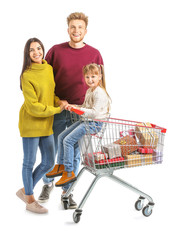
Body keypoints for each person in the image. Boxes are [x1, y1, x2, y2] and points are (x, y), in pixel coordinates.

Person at [38, 12, 104, 208]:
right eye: (73, 27)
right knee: (52, 149)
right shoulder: (55, 51)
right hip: (58, 108)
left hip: (82, 112)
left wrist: (100, 108)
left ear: (85, 30)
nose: (76, 31)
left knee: (73, 153)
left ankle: (68, 191)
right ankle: (48, 184)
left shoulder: (95, 53)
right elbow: (44, 78)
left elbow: (102, 82)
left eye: (80, 27)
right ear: (68, 29)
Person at [16, 38, 64, 214]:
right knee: (29, 163)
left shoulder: (48, 69)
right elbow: (33, 107)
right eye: (31, 50)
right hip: (31, 122)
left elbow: (51, 94)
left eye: (39, 48)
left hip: (46, 122)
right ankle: (30, 199)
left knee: (49, 162)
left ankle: (24, 191)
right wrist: (57, 109)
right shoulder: (27, 75)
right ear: (27, 54)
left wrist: (60, 102)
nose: (36, 52)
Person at [46, 63, 111, 188]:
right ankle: (60, 166)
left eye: (93, 76)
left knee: (68, 141)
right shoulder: (89, 91)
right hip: (86, 121)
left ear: (100, 77)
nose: (90, 80)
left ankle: (69, 172)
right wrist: (75, 107)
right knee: (61, 137)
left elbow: (94, 113)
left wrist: (79, 111)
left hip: (94, 123)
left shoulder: (99, 93)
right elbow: (86, 108)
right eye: (87, 77)